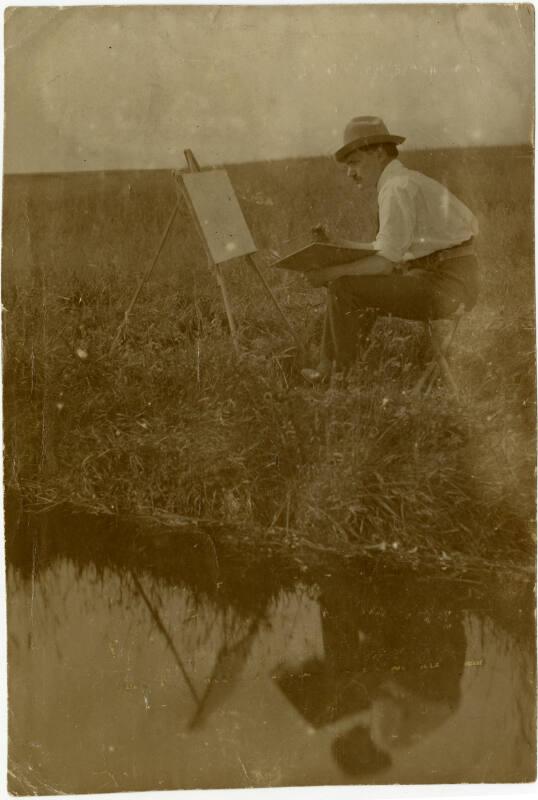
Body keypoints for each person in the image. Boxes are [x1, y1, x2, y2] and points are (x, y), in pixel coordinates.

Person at [302, 116, 480, 382]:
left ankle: (341, 379)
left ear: (378, 153)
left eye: (354, 163)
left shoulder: (396, 188)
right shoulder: (402, 182)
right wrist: (339, 245)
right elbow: (387, 249)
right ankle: (331, 369)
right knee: (355, 284)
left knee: (344, 287)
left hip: (448, 286)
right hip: (446, 280)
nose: (350, 173)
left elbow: (385, 261)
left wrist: (330, 274)